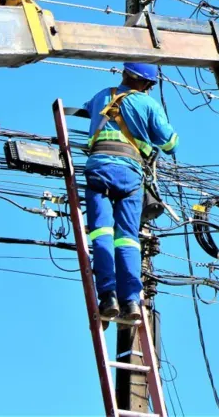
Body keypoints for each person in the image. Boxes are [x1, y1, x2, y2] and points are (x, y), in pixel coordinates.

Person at [82, 62, 179, 323]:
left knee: (101, 232)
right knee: (127, 239)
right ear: (146, 84)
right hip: (130, 175)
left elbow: (87, 108)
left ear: (124, 74)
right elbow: (170, 142)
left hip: (99, 169)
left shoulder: (103, 95)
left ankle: (108, 296)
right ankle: (131, 302)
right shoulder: (149, 105)